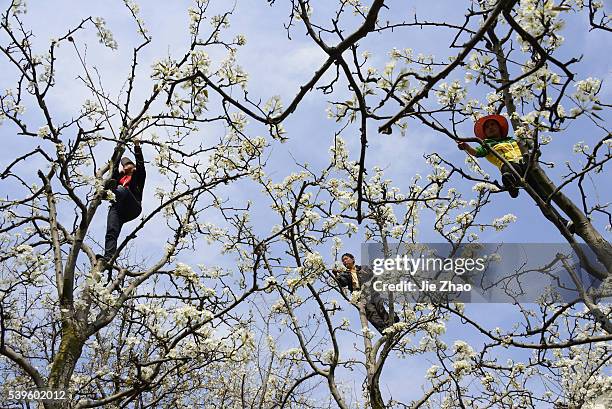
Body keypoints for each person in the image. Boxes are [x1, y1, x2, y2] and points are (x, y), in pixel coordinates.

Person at [457, 114, 573, 232]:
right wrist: (466, 147)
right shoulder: (487, 144)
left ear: (499, 128)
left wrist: (526, 127)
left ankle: (565, 224)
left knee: (543, 199)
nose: (490, 128)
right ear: (485, 133)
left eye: (493, 124)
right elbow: (476, 152)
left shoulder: (513, 140)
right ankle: (511, 184)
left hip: (528, 166)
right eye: (487, 127)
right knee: (510, 170)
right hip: (509, 166)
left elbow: (529, 142)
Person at [96, 140, 146, 267]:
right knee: (111, 230)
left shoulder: (138, 175)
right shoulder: (119, 178)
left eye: (127, 164)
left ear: (133, 166)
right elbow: (114, 169)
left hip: (133, 205)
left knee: (121, 190)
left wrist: (136, 147)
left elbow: (141, 164)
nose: (125, 166)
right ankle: (108, 258)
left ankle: (108, 194)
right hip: (118, 207)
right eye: (123, 166)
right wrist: (118, 151)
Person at [332, 253, 399, 334]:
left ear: (353, 259)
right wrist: (336, 275)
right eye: (343, 261)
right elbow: (343, 283)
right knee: (372, 314)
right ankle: (385, 331)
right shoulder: (345, 274)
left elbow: (372, 275)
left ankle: (391, 323)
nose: (344, 261)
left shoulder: (363, 268)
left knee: (380, 308)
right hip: (361, 297)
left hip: (372, 292)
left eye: (346, 259)